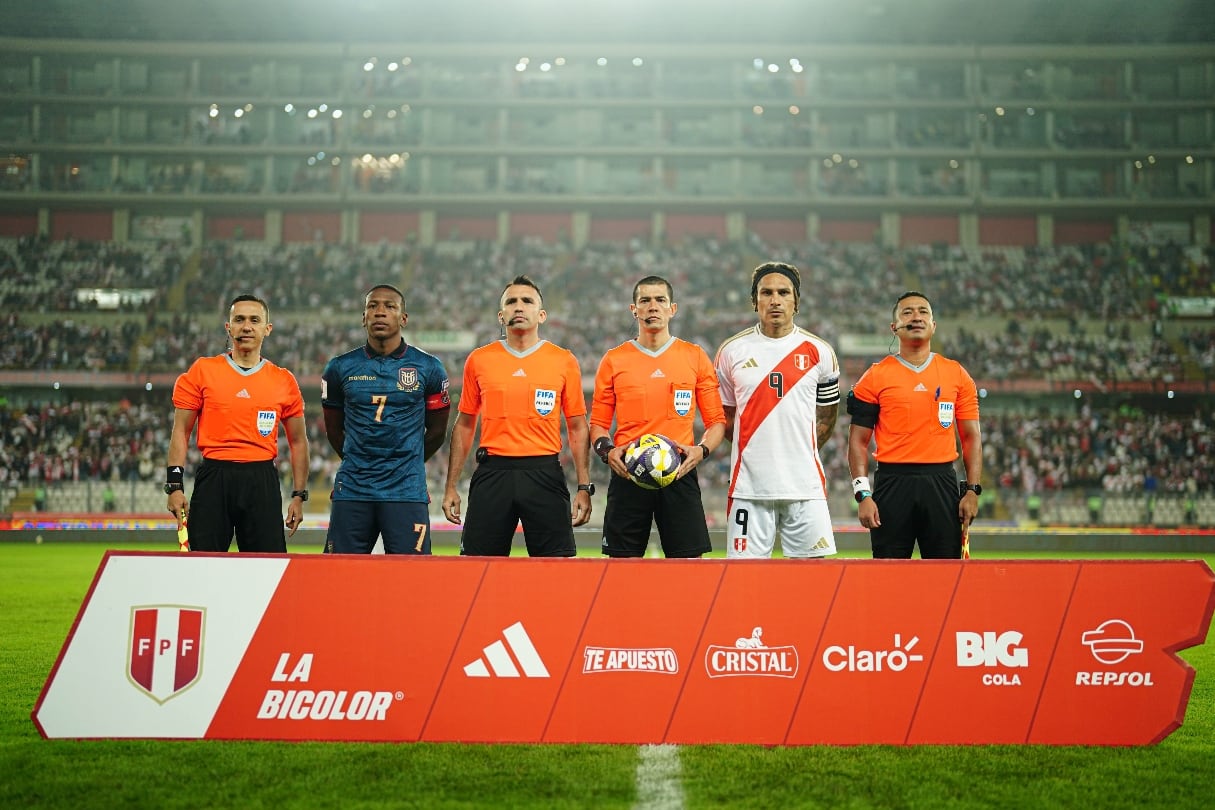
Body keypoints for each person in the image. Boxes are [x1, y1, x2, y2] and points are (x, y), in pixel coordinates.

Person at [442, 274, 592, 557]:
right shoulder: (479, 359)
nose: (519, 307)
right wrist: (450, 486)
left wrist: (584, 486)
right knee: (478, 568)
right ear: (501, 315)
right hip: (492, 473)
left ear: (542, 314)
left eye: (527, 301)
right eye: (511, 302)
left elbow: (577, 426)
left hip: (544, 473)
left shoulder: (563, 360)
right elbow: (464, 425)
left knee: (555, 571)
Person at [590, 275, 726, 558]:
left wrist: (700, 451)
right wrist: (607, 452)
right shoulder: (614, 359)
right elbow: (599, 425)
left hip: (679, 473)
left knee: (689, 569)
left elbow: (716, 423)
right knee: (620, 569)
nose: (653, 306)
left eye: (660, 300)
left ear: (672, 309)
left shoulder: (695, 356)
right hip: (628, 474)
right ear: (634, 309)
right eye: (645, 300)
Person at [713, 261, 841, 559]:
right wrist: (757, 449)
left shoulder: (819, 352)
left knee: (812, 584)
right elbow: (725, 418)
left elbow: (827, 416)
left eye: (783, 292)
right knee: (745, 585)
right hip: (749, 489)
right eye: (766, 292)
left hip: (805, 487)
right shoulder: (731, 351)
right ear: (754, 300)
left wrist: (796, 450)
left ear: (796, 301)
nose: (775, 299)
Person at [165, 294, 309, 553]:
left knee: (266, 570)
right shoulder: (202, 370)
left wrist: (299, 495)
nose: (246, 327)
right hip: (213, 479)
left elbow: (298, 440)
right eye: (239, 319)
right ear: (228, 327)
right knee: (203, 565)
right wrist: (174, 486)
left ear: (268, 329)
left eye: (255, 320)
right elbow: (181, 431)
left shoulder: (283, 380)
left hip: (261, 479)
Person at [846, 290, 982, 559]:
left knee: (946, 578)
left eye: (923, 312)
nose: (916, 317)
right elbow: (857, 441)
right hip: (892, 483)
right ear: (894, 327)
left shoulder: (956, 374)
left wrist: (972, 491)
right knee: (889, 580)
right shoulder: (874, 376)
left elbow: (971, 437)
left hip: (942, 483)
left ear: (933, 325)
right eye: (907, 312)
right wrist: (863, 494)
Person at [321, 284, 451, 554]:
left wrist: (406, 461)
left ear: (403, 318)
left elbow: (438, 431)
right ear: (363, 317)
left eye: (389, 306)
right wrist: (360, 461)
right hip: (354, 489)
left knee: (412, 581)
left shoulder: (429, 368)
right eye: (372, 306)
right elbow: (334, 431)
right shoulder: (339, 368)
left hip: (406, 489)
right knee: (338, 578)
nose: (380, 312)